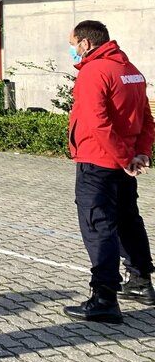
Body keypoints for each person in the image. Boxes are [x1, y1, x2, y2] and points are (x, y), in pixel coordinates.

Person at [63, 19, 155, 324]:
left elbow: (96, 123)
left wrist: (124, 158)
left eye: (73, 44)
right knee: (128, 219)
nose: (73, 50)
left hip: (98, 161)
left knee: (97, 225)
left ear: (86, 43)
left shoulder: (94, 71)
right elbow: (147, 119)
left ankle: (104, 297)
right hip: (122, 163)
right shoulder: (131, 71)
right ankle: (141, 282)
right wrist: (139, 153)